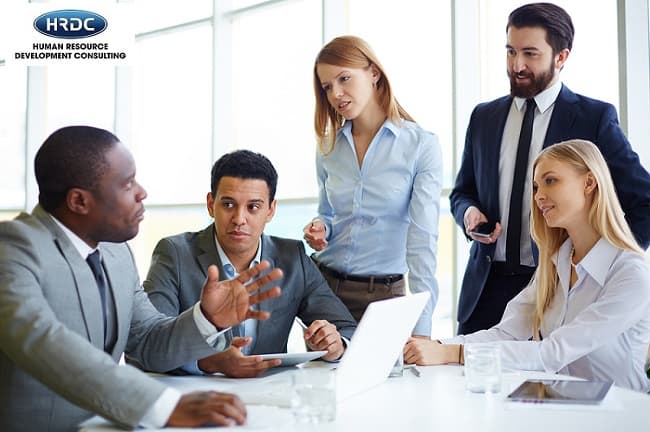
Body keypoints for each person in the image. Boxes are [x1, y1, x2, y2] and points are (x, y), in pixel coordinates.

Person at [0, 126, 284, 431]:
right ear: (79, 202)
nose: (141, 192)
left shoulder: (115, 252)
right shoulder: (14, 248)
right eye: (127, 183)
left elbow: (147, 339)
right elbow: (45, 341)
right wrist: (162, 405)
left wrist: (206, 319)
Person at [450, 2, 650, 334]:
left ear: (561, 57)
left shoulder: (593, 119)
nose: (517, 65)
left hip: (557, 290)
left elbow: (644, 203)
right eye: (510, 52)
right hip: (484, 290)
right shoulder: (483, 117)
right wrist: (468, 212)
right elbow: (462, 191)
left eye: (530, 54)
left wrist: (602, 264)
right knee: (464, 377)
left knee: (547, 382)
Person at [406, 139, 650, 392]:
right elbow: (506, 334)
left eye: (550, 180)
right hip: (561, 405)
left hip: (619, 413)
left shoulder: (630, 273)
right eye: (535, 186)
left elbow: (552, 353)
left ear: (589, 183)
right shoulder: (557, 264)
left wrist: (452, 353)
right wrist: (432, 346)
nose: (538, 196)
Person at [144, 150, 357, 378]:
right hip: (198, 396)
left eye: (253, 207)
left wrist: (336, 344)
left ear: (270, 210)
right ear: (210, 204)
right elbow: (148, 345)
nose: (239, 219)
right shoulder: (174, 254)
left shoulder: (292, 257)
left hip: (270, 397)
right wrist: (211, 362)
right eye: (228, 205)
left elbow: (348, 330)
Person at [303, 35, 442, 337]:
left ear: (374, 73)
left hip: (382, 298)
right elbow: (328, 213)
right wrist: (320, 228)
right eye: (327, 87)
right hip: (323, 289)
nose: (336, 94)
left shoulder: (421, 146)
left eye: (344, 79)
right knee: (321, 381)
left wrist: (421, 332)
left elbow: (423, 245)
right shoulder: (328, 147)